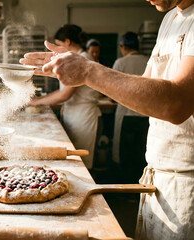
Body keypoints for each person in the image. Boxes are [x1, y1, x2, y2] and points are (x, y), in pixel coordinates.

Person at [20, 0, 194, 239]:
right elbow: (144, 95)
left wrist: (89, 71)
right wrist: (88, 69)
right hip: (160, 176)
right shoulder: (170, 19)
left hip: (188, 181)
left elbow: (176, 104)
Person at [27, 24, 101, 170]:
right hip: (75, 113)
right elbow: (64, 92)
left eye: (58, 44)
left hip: (82, 116)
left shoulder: (82, 58)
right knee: (75, 160)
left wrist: (35, 102)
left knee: (81, 163)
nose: (55, 49)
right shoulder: (78, 58)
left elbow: (65, 94)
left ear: (67, 42)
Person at [112, 32, 149, 183]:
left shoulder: (121, 63)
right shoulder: (148, 60)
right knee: (141, 153)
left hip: (127, 114)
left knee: (125, 153)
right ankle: (139, 187)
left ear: (123, 47)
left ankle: (125, 189)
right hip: (146, 114)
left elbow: (112, 91)